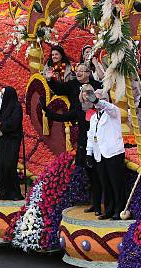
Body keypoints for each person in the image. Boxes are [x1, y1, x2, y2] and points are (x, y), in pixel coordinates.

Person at [44, 63, 102, 213]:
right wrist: (47, 111)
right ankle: (95, 203)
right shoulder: (76, 101)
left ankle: (103, 204)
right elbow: (63, 114)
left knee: (99, 172)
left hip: (99, 139)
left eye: (83, 71)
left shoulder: (99, 103)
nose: (80, 73)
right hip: (84, 138)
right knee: (89, 171)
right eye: (78, 71)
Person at [85, 88, 126, 220]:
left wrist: (97, 101)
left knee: (116, 183)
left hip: (113, 152)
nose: (95, 102)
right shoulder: (93, 117)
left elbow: (108, 107)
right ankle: (108, 210)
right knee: (105, 184)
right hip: (99, 154)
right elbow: (91, 135)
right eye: (93, 99)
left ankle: (119, 210)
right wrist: (89, 153)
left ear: (105, 100)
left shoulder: (113, 111)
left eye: (97, 99)